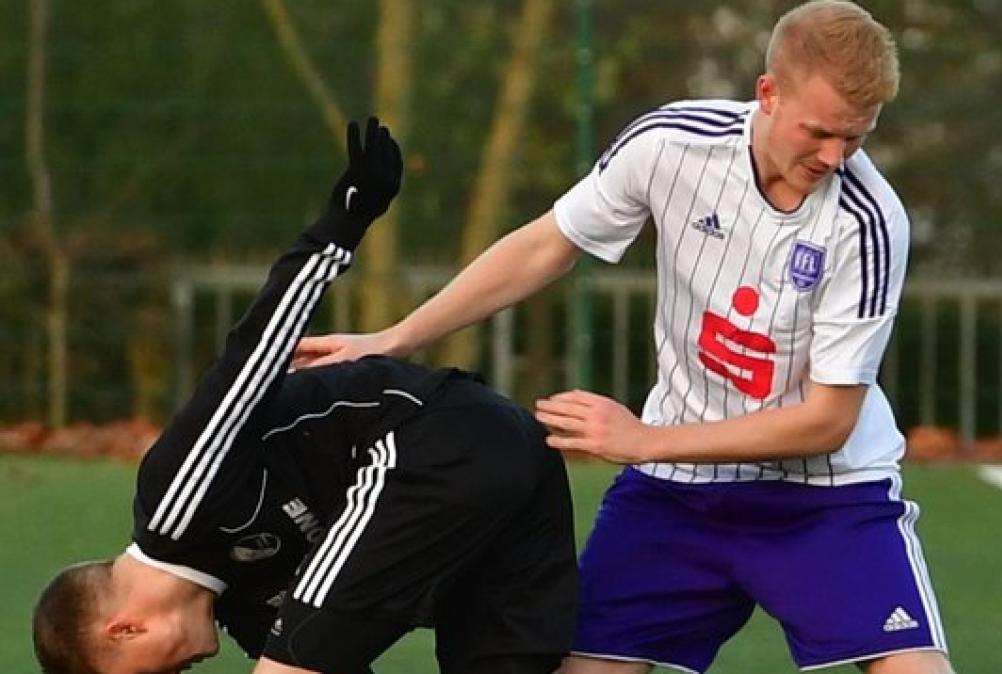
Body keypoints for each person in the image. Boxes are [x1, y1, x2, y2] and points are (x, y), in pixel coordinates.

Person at [295, 3, 954, 673]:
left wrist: (643, 440)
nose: (836, 156)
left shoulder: (869, 224)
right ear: (768, 92)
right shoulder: (670, 144)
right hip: (676, 494)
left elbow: (826, 422)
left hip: (823, 498)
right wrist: (401, 336)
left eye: (857, 137)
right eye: (820, 132)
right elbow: (547, 245)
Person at [31, 118, 577, 674]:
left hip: (434, 438)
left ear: (124, 630)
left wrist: (344, 221)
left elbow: (253, 359)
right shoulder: (247, 608)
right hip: (517, 464)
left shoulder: (174, 505)